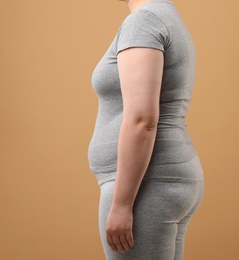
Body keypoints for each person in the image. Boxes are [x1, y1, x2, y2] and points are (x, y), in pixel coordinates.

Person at [87, 0, 204, 259]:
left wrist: (121, 204)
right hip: (161, 180)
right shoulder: (163, 16)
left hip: (146, 186)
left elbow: (142, 120)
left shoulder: (144, 22)